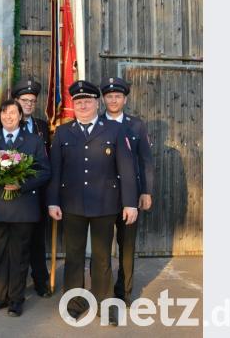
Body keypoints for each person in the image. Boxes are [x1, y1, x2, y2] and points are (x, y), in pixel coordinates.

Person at [47, 80, 137, 325]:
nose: (83, 105)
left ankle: (104, 305)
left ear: (97, 103)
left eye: (87, 101)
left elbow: (126, 168)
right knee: (74, 256)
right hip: (72, 204)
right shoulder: (63, 132)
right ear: (73, 105)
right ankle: (74, 303)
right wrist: (53, 202)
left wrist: (130, 203)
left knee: (102, 257)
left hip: (105, 204)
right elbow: (56, 170)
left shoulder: (114, 130)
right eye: (78, 102)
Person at [0, 99, 51, 317]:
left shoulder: (34, 141)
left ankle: (16, 299)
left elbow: (45, 172)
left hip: (23, 208)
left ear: (20, 116)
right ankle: (0, 297)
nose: (8, 117)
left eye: (13, 113)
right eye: (5, 113)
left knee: (19, 256)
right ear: (0, 116)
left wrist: (21, 184)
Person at [100, 77, 154, 302]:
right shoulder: (96, 123)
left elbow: (145, 160)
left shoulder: (136, 125)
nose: (113, 100)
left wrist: (146, 191)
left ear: (125, 99)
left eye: (118, 96)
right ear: (103, 99)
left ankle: (124, 291)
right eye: (109, 96)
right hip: (102, 196)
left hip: (130, 195)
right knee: (101, 247)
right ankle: (102, 291)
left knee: (127, 246)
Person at [9, 78, 52, 297]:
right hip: (10, 193)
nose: (28, 104)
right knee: (13, 243)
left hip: (36, 193)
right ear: (16, 101)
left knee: (36, 240)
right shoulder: (3, 124)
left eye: (32, 101)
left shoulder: (42, 127)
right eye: (24, 100)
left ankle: (40, 279)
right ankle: (10, 283)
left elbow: (47, 161)